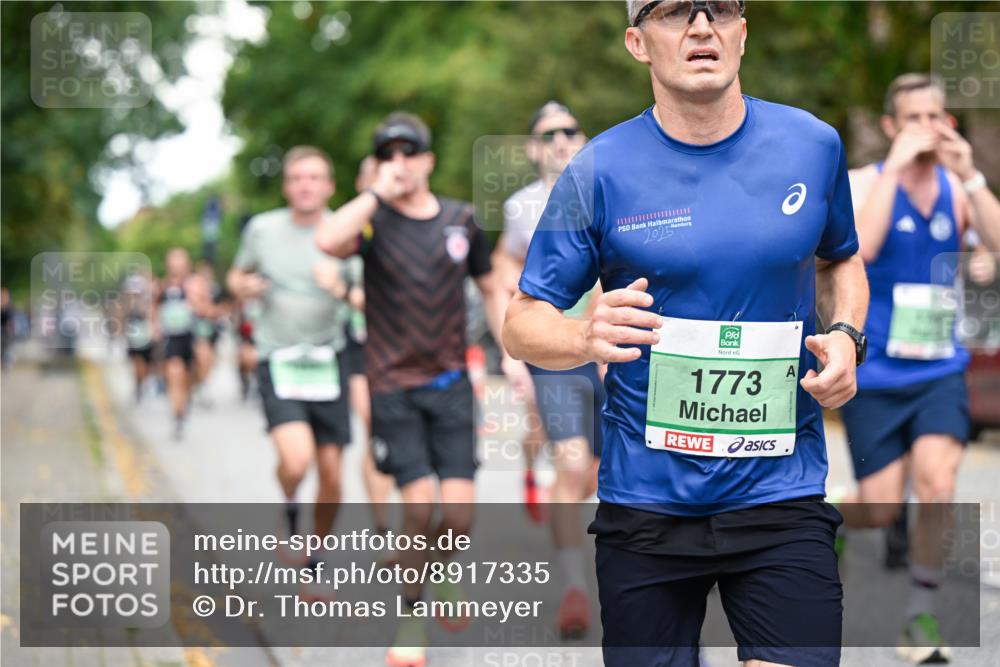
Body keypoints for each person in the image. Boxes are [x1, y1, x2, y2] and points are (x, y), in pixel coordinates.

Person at [502, 2, 871, 665]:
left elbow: (840, 257)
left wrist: (845, 333)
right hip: (647, 505)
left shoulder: (811, 145)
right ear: (638, 42)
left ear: (742, 32)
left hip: (779, 492)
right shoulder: (598, 170)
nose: (702, 26)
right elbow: (520, 320)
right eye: (674, 11)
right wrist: (586, 335)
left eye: (721, 8)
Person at [316, 112, 527, 667]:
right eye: (388, 154)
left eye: (410, 153)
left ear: (429, 160)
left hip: (453, 384)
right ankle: (411, 618)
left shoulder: (460, 220)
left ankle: (441, 573)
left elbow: (489, 288)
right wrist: (375, 194)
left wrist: (512, 353)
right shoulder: (371, 223)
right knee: (418, 508)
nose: (400, 163)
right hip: (393, 389)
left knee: (457, 518)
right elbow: (327, 239)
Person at [838, 73, 1000, 664]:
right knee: (879, 507)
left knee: (936, 485)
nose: (928, 129)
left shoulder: (958, 188)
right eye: (914, 119)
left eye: (937, 117)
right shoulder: (865, 183)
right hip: (876, 371)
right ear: (890, 127)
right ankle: (830, 520)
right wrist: (893, 169)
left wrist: (973, 174)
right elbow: (867, 245)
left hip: (937, 368)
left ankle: (919, 616)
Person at [493, 100, 604, 638]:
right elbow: (504, 273)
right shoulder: (521, 208)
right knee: (574, 461)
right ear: (535, 148)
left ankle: (546, 485)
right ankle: (575, 587)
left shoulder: (611, 191)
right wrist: (510, 349)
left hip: (611, 352)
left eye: (570, 130)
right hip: (557, 354)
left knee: (597, 472)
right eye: (548, 133)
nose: (561, 140)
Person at [227, 145, 353, 602]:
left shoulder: (346, 231)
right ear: (286, 186)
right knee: (297, 459)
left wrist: (338, 286)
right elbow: (235, 278)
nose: (305, 185)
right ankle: (288, 505)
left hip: (329, 359)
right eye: (297, 178)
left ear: (329, 186)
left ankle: (315, 563)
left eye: (315, 178)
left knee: (334, 476)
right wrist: (245, 286)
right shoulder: (262, 230)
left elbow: (365, 301)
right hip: (277, 357)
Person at [347, 155, 397, 543]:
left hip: (407, 350)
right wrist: (349, 293)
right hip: (362, 349)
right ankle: (382, 526)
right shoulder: (351, 230)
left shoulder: (413, 223)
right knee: (376, 430)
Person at [154, 248, 198, 440]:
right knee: (174, 373)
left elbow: (205, 308)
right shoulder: (162, 287)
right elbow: (154, 309)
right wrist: (154, 326)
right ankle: (177, 415)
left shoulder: (195, 285)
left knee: (188, 377)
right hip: (172, 337)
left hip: (192, 336)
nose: (177, 265)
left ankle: (185, 402)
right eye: (174, 261)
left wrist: (195, 304)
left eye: (181, 260)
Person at [121, 269, 156, 402]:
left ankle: (142, 384)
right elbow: (123, 317)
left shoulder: (148, 301)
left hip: (146, 337)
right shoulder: (127, 304)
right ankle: (138, 386)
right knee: (136, 363)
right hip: (134, 338)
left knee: (147, 364)